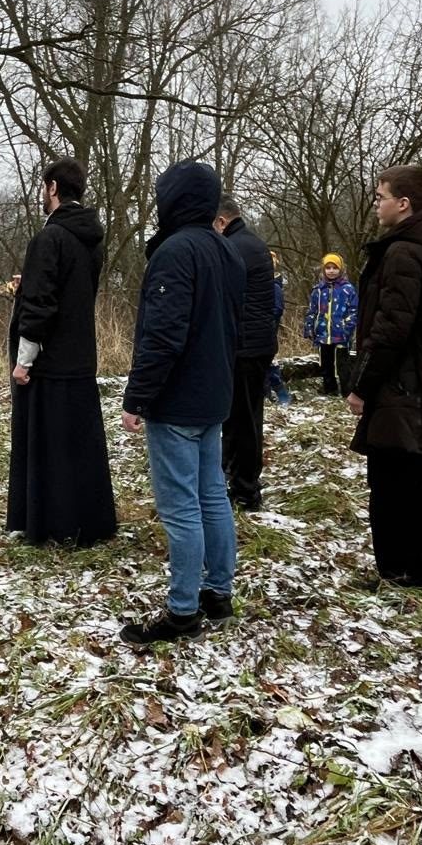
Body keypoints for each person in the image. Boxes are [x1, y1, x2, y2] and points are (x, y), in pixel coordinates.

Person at [119, 161, 245, 645]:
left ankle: (183, 611)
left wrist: (138, 397)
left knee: (182, 507)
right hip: (214, 395)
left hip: (177, 401)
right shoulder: (226, 249)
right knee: (212, 495)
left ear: (173, 199)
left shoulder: (175, 252)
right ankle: (218, 593)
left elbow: (163, 335)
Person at [346, 165, 422, 588]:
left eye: (380, 197)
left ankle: (402, 569)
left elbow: (390, 329)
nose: (375, 205)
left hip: (404, 386)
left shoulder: (404, 253)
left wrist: (361, 385)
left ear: (403, 203)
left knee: (394, 479)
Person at [7, 157, 117, 545]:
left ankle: (51, 526)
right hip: (81, 357)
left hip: (50, 362)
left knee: (50, 446)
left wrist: (23, 361)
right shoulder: (91, 239)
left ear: (53, 188)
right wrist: (31, 281)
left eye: (44, 187)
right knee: (80, 446)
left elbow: (41, 306)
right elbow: (72, 291)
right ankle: (88, 524)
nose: (43, 193)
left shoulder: (49, 238)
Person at [214, 196, 276, 511]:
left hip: (245, 348)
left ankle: (246, 490)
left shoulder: (234, 247)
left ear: (221, 221)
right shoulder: (251, 243)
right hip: (255, 344)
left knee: (243, 421)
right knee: (244, 417)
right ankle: (239, 479)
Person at [303, 253, 358, 397]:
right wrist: (309, 327)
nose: (331, 271)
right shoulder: (318, 290)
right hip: (323, 334)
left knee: (342, 365)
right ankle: (330, 390)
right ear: (323, 270)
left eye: (335, 268)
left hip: (341, 334)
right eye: (328, 268)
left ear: (341, 269)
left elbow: (354, 311)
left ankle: (346, 391)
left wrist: (348, 328)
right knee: (326, 364)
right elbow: (312, 310)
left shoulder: (347, 289)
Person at [266, 252, 292, 406]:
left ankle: (281, 392)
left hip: (267, 330)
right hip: (253, 329)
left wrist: (268, 323)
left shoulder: (275, 287)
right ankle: (266, 394)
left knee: (267, 362)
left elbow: (277, 310)